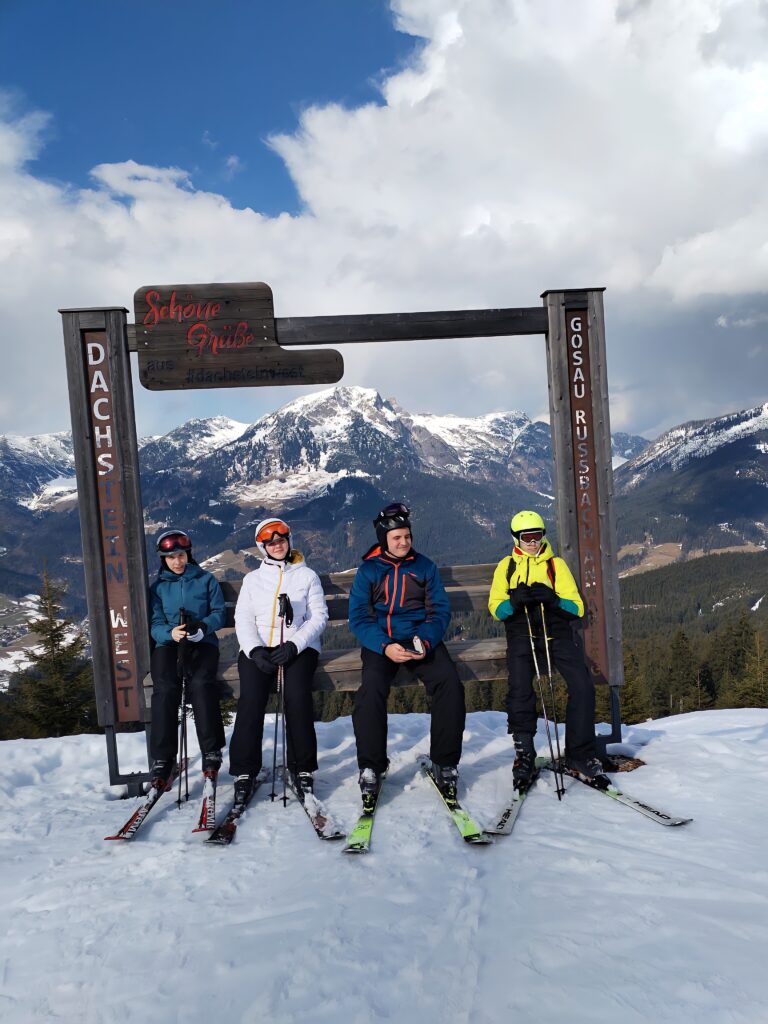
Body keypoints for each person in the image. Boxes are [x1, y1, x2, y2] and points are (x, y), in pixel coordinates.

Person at [348, 502, 466, 805]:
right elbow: (359, 617)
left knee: (449, 684)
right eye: (396, 538)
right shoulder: (369, 570)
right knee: (371, 690)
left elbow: (439, 611)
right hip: (382, 644)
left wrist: (424, 642)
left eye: (407, 536)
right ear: (384, 540)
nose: (403, 542)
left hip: (420, 641)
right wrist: (385, 646)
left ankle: (445, 761)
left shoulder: (424, 567)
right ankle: (371, 766)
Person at [488, 510, 604, 788]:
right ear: (516, 538)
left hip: (556, 636)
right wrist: (513, 603)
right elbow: (495, 609)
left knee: (582, 686)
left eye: (537, 535)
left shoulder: (556, 566)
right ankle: (524, 753)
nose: (532, 542)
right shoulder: (506, 567)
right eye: (526, 537)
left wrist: (553, 600)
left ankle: (579, 752)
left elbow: (575, 608)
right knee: (519, 688)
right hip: (522, 635)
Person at [228, 517, 328, 803]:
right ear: (263, 548)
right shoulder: (253, 580)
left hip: (298, 647)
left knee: (296, 698)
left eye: (282, 540)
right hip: (259, 648)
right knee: (251, 700)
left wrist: (296, 645)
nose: (278, 546)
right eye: (271, 543)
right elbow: (243, 618)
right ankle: (245, 770)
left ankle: (303, 767)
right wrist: (254, 650)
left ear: (289, 541)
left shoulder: (307, 576)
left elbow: (318, 617)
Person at [148, 528, 227, 787]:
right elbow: (155, 622)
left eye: (180, 555)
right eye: (171, 558)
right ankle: (163, 757)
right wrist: (170, 633)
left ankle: (211, 751)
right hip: (169, 644)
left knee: (202, 684)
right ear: (163, 560)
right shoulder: (158, 588)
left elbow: (218, 613)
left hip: (201, 642)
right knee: (165, 688)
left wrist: (202, 627)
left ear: (188, 554)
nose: (177, 562)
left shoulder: (205, 580)